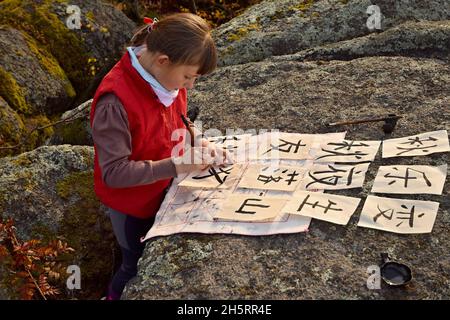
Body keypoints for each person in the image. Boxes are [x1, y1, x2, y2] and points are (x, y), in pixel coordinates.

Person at [90, 13, 233, 300]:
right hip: (131, 206)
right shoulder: (114, 102)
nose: (190, 85)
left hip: (162, 191)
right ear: (162, 60)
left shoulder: (165, 79)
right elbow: (114, 173)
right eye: (188, 77)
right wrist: (177, 164)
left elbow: (178, 119)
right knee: (133, 263)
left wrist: (198, 140)